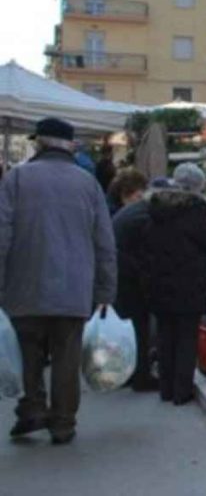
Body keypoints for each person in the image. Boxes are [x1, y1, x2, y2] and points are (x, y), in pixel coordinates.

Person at [0, 118, 116, 444]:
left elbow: (2, 234)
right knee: (67, 358)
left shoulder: (17, 178)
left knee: (27, 352)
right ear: (71, 146)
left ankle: (33, 406)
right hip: (74, 288)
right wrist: (106, 290)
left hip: (23, 286)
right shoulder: (88, 183)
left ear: (39, 144)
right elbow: (104, 242)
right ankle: (63, 422)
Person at [142, 164, 206, 405]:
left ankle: (166, 388)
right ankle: (182, 391)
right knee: (185, 337)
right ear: (197, 186)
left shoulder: (157, 207)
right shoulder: (195, 210)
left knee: (165, 335)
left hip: (159, 280)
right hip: (188, 282)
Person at [112, 176, 161, 392]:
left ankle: (130, 372)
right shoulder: (142, 215)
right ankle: (141, 376)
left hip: (120, 274)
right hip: (129, 277)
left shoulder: (129, 213)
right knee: (139, 327)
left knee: (130, 327)